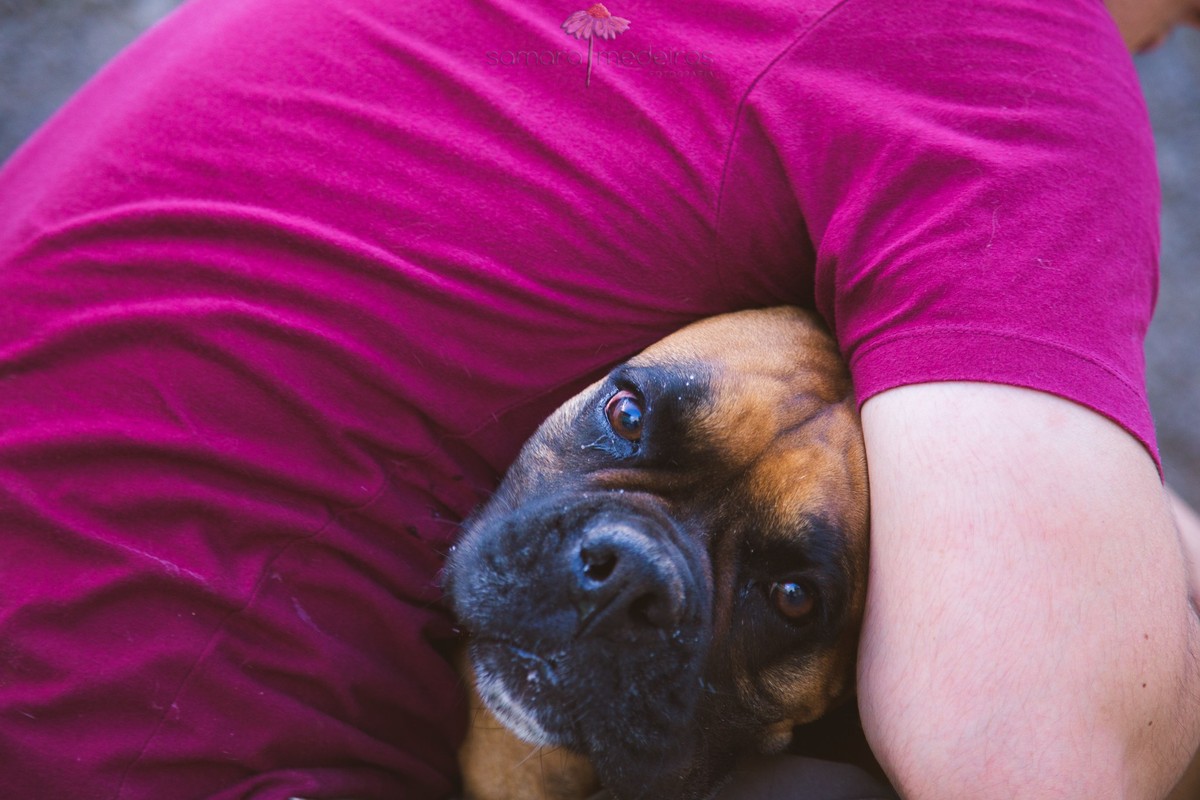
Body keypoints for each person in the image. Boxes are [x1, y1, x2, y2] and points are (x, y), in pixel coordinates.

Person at [0, 0, 1197, 798]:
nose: (627, 568)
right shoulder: (1016, 64)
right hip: (154, 730)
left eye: (787, 587)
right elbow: (1026, 753)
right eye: (633, 422)